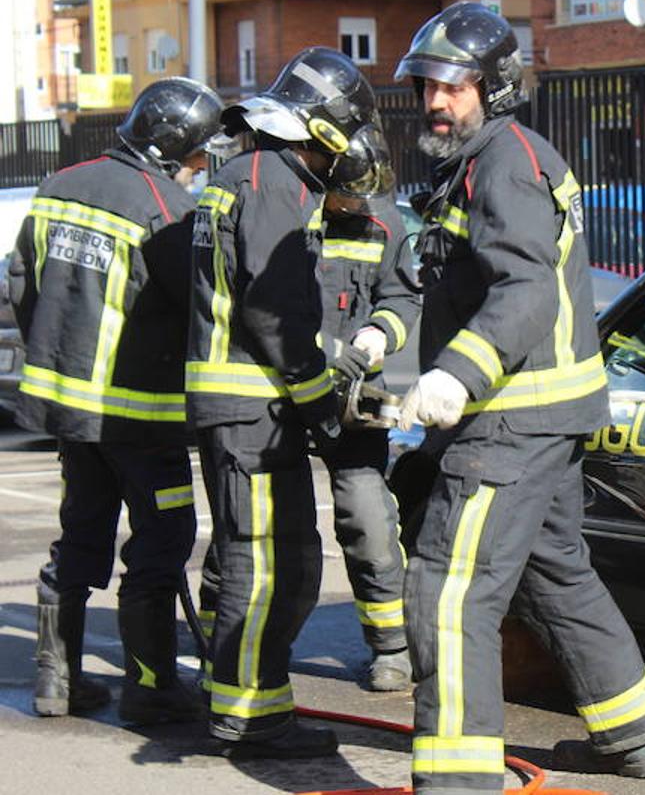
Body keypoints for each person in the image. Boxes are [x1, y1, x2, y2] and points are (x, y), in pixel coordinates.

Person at [394, 1, 645, 794]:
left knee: (446, 591)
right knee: (554, 570)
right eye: (427, 86)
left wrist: (456, 376)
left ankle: (457, 778)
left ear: (495, 85)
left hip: (509, 422)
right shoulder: (498, 155)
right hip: (549, 415)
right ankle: (633, 735)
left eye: (452, 86)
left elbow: (525, 292)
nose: (435, 102)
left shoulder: (503, 163)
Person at [187, 47, 389, 758]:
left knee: (285, 561)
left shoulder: (246, 173)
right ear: (326, 128)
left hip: (245, 409)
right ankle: (248, 719)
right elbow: (276, 315)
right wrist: (322, 403)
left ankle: (252, 705)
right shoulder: (276, 185)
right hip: (254, 409)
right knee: (268, 565)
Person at [11, 78, 225, 723]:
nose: (198, 167)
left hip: (67, 414)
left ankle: (55, 682)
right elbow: (198, 312)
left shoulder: (57, 185)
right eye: (196, 155)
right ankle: (153, 689)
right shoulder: (168, 210)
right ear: (171, 148)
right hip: (141, 418)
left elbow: (23, 282)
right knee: (161, 542)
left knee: (81, 533)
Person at [316, 154, 421, 692]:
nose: (359, 206)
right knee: (261, 525)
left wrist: (380, 331)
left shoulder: (382, 218)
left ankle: (391, 647)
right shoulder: (284, 207)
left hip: (355, 395)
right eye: (349, 197)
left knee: (369, 521)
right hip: (284, 389)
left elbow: (402, 295)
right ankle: (231, 641)